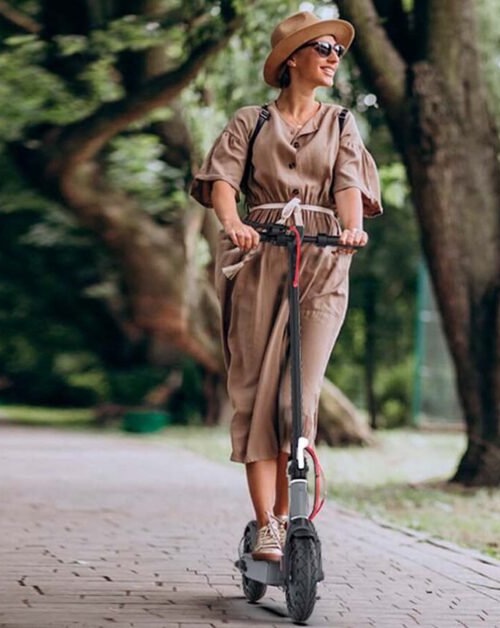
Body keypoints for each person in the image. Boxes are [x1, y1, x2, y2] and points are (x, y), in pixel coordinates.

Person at [189, 10, 383, 562]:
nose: (332, 57)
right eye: (322, 47)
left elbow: (349, 184)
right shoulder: (249, 121)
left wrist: (352, 230)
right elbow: (223, 182)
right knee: (254, 391)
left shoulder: (343, 121)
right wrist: (234, 225)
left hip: (323, 259)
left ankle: (291, 513)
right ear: (291, 58)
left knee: (296, 399)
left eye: (338, 51)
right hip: (258, 257)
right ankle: (266, 524)